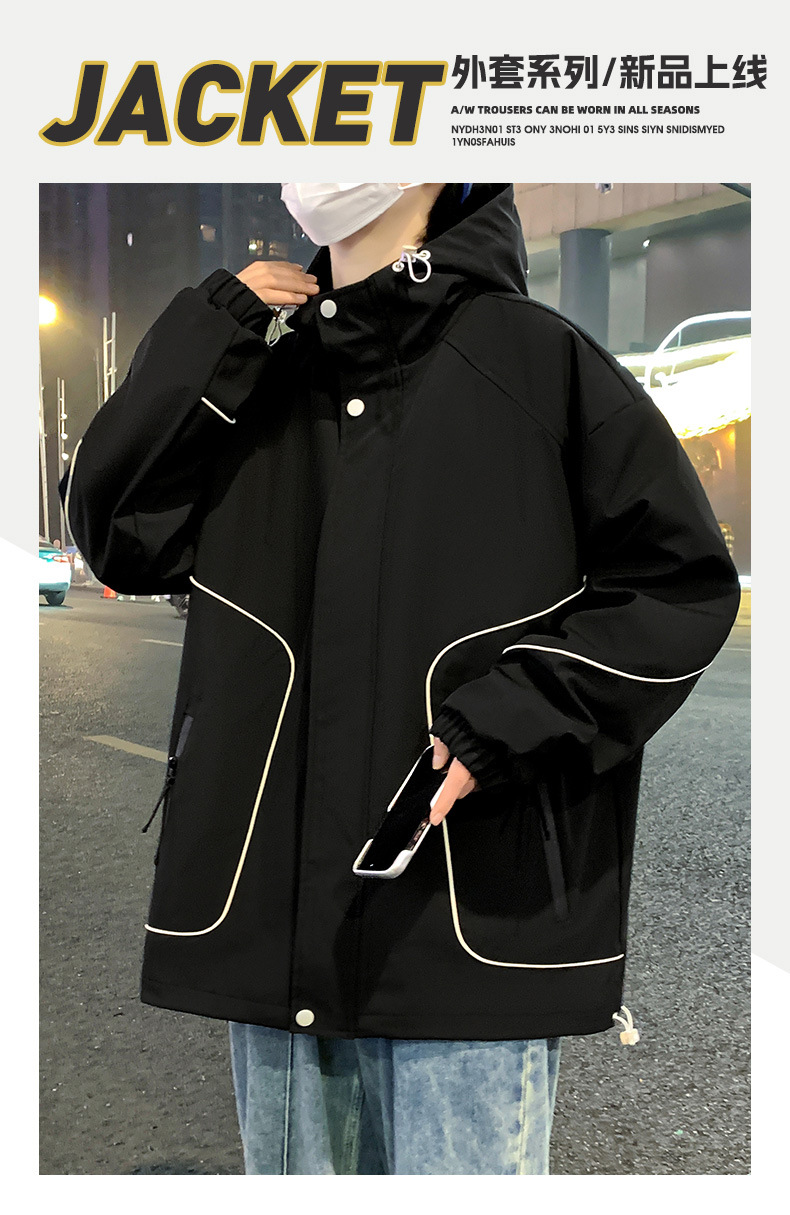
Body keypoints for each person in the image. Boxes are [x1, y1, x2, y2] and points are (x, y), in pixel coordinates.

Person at [59, 183, 741, 1175]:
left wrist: (503, 720)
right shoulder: (255, 371)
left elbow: (677, 584)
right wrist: (208, 334)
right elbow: (121, 536)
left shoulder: (538, 361)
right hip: (277, 922)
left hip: (465, 918)